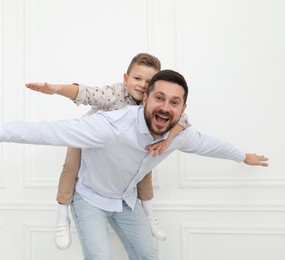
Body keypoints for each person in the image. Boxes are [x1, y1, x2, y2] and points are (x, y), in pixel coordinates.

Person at [0, 69, 268, 260]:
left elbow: (211, 145)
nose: (165, 108)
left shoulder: (179, 135)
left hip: (127, 202)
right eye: (159, 98)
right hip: (91, 200)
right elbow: (50, 131)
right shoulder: (111, 126)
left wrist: (243, 156)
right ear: (146, 99)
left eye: (174, 102)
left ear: (183, 107)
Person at [25, 53, 191, 249]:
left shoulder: (151, 101)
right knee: (70, 167)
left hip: (116, 149)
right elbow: (87, 93)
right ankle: (62, 217)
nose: (142, 85)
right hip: (87, 136)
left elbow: (183, 119)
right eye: (137, 78)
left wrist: (167, 140)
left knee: (145, 165)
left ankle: (149, 214)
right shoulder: (116, 93)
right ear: (126, 78)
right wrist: (57, 89)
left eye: (149, 81)